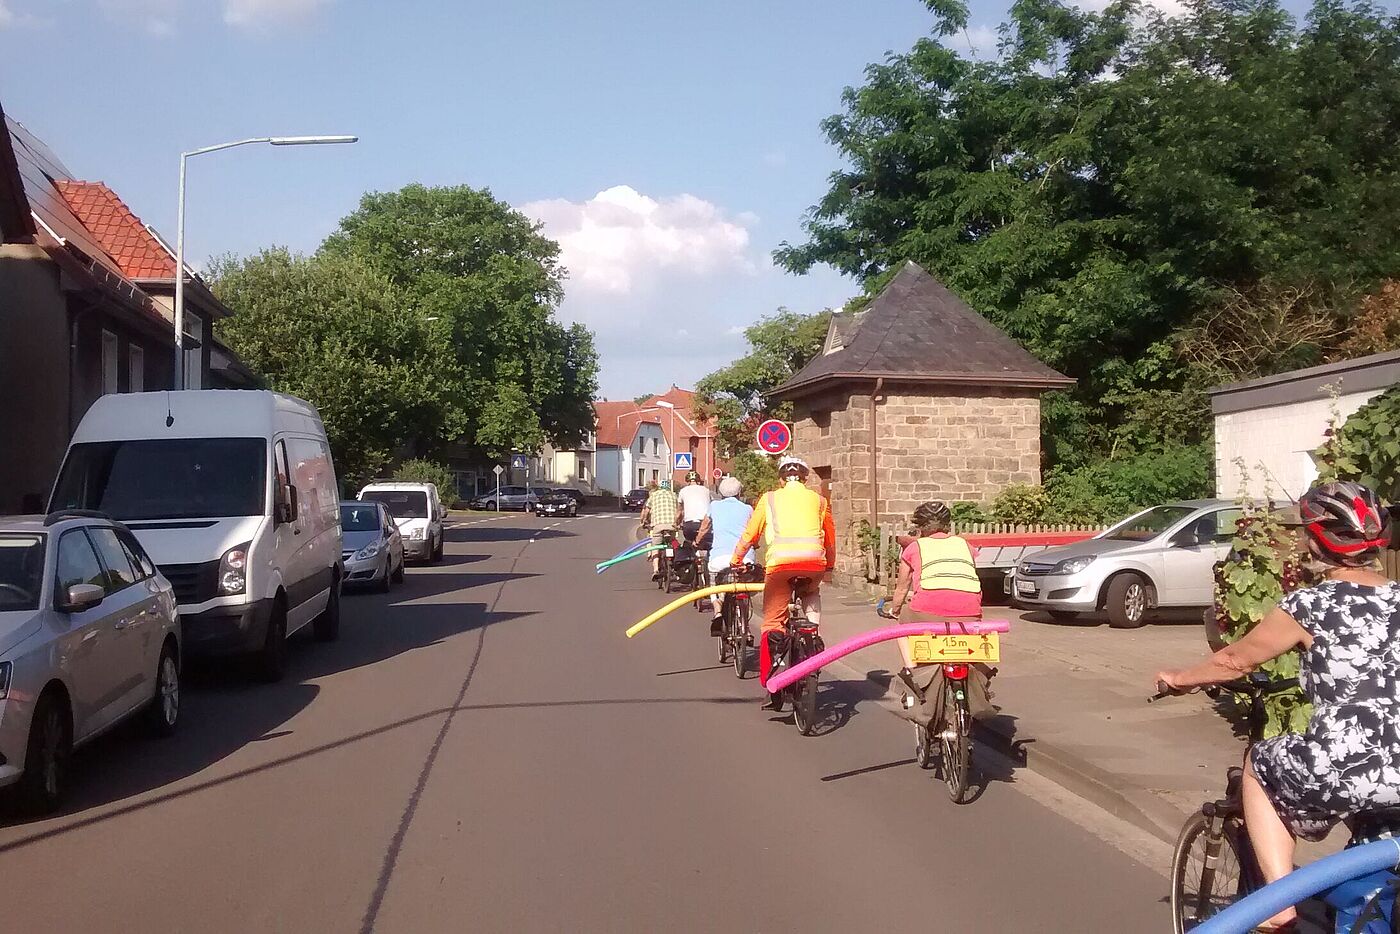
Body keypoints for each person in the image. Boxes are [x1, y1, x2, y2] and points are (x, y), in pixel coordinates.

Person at [1154, 481, 1398, 932]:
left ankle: (1278, 903)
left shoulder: (1310, 604)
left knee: (1259, 764)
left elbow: (1234, 661)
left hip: (1345, 766)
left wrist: (1179, 679)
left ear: (1316, 540)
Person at [731, 456, 836, 706]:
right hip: (814, 564)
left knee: (772, 622)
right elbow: (830, 537)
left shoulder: (769, 499)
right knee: (811, 593)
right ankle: (812, 634)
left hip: (780, 566)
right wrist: (829, 566)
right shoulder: (820, 500)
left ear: (781, 479)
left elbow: (751, 534)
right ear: (805, 478)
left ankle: (773, 682)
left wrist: (736, 559)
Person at [883, 501, 982, 669]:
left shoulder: (914, 547)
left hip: (927, 611)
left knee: (902, 624)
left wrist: (895, 610)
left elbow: (902, 588)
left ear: (920, 527)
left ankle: (911, 670)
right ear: (947, 524)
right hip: (970, 612)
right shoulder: (964, 545)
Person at [698, 476, 755, 634]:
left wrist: (697, 541)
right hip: (744, 558)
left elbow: (704, 527)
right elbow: (754, 531)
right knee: (744, 587)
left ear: (721, 493)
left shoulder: (714, 506)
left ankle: (717, 611)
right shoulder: (748, 509)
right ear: (739, 493)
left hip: (719, 558)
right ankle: (745, 626)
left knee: (714, 583)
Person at [639, 481, 679, 582]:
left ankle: (656, 570)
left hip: (658, 526)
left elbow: (646, 511)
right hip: (672, 525)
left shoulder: (654, 495)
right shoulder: (674, 495)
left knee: (655, 546)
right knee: (673, 541)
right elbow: (679, 510)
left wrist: (643, 522)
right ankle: (677, 556)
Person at [677, 470, 713, 549]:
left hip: (689, 525)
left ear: (688, 482)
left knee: (689, 544)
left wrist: (677, 523)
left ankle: (691, 553)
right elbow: (711, 506)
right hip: (704, 524)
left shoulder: (683, 491)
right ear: (698, 481)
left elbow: (679, 512)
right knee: (707, 544)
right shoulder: (706, 490)